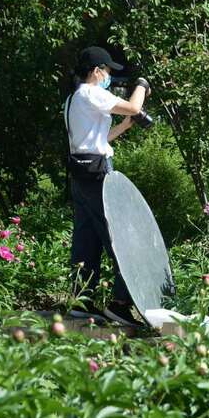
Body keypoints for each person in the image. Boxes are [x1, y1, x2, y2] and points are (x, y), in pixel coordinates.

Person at [64, 46, 150, 325]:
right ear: (97, 71)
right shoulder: (92, 92)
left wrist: (124, 126)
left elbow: (95, 139)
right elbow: (135, 106)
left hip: (81, 173)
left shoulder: (73, 99)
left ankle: (82, 301)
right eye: (108, 71)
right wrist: (141, 85)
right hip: (99, 175)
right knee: (120, 237)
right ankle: (120, 304)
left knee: (86, 238)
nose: (110, 76)